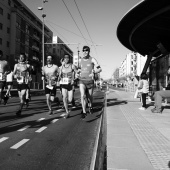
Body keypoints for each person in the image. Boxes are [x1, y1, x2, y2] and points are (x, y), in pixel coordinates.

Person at [77, 46, 102, 119]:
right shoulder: (80, 60)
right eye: (84, 50)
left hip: (90, 81)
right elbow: (78, 70)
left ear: (89, 51)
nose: (85, 52)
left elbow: (100, 69)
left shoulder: (92, 59)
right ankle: (84, 111)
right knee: (83, 95)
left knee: (90, 97)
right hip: (82, 80)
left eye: (86, 50)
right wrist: (77, 73)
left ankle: (90, 106)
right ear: (82, 51)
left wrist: (94, 71)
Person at [59, 54, 77, 118]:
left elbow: (76, 73)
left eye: (67, 58)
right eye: (65, 58)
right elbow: (59, 75)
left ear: (69, 59)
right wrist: (59, 78)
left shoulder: (72, 66)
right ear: (63, 59)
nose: (66, 59)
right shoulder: (61, 67)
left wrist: (74, 79)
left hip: (70, 84)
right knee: (64, 97)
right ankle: (67, 112)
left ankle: (71, 102)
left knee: (69, 99)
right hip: (64, 84)